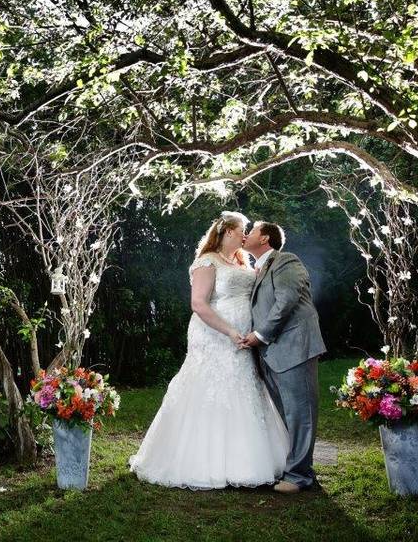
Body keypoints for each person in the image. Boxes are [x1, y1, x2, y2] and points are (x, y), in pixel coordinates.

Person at [129, 211, 289, 490]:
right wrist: (229, 331)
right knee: (210, 386)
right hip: (214, 335)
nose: (245, 233)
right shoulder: (206, 261)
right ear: (227, 232)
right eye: (242, 229)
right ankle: (203, 461)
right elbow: (199, 304)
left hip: (244, 339)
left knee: (243, 387)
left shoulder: (243, 261)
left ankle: (247, 459)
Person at [239, 221, 327, 493]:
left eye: (250, 231)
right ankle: (297, 468)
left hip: (294, 346)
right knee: (286, 414)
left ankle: (300, 477)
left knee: (301, 413)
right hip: (272, 353)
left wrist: (261, 334)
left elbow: (287, 299)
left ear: (264, 237)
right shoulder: (258, 269)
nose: (245, 235)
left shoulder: (285, 260)